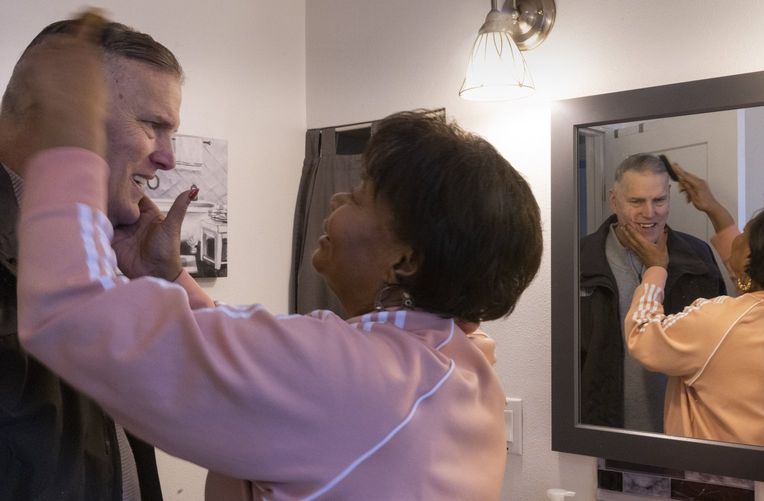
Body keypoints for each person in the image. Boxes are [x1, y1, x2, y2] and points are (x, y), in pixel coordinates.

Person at [13, 14, 543, 501]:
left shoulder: (365, 379)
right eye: (153, 125)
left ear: (405, 259)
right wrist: (169, 277)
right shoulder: (451, 366)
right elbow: (242, 354)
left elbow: (77, 318)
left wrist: (68, 143)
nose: (336, 199)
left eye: (359, 195)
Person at [0, 14, 187, 500]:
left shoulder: (114, 255)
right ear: (64, 114)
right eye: (153, 126)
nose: (168, 158)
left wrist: (164, 284)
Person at [622, 186, 764, 447]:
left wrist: (656, 269)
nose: (737, 237)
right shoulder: (762, 299)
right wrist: (714, 209)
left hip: (717, 479)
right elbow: (751, 278)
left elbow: (642, 334)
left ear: (752, 256)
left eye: (744, 233)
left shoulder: (717, 321)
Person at [579, 153, 725, 431]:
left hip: (685, 429)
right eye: (636, 201)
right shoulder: (581, 259)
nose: (649, 212)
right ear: (614, 200)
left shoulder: (698, 255)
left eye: (659, 200)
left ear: (669, 198)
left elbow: (718, 348)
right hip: (602, 429)